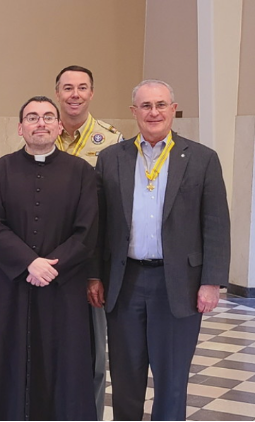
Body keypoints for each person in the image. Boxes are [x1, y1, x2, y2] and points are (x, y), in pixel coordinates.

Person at [96, 80, 230, 421]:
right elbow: (99, 224)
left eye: (160, 105)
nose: (153, 112)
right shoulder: (111, 158)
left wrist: (212, 281)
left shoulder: (202, 159)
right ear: (134, 112)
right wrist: (94, 275)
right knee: (125, 377)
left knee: (172, 380)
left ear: (173, 109)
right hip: (124, 281)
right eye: (145, 106)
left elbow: (215, 223)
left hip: (179, 283)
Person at [0, 96, 98, 421]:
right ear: (20, 128)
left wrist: (52, 265)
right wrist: (29, 263)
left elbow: (86, 231)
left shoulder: (81, 172)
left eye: (48, 117)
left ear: (60, 126)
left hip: (64, 285)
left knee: (66, 360)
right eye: (32, 118)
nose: (41, 123)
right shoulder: (1, 169)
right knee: (10, 355)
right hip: (13, 282)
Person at [53, 64, 122, 420]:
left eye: (82, 87)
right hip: (49, 261)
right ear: (57, 94)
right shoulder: (43, 134)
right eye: (67, 88)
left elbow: (115, 212)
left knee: (93, 355)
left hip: (91, 262)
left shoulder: (112, 142)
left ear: (92, 93)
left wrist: (99, 270)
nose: (74, 94)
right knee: (51, 350)